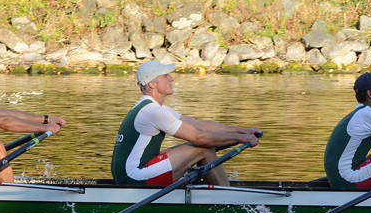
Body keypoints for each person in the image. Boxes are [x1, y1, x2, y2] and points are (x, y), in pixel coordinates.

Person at [111, 60, 261, 187]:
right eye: (166, 76)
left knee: (201, 147)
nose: (171, 79)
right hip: (133, 177)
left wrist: (243, 131)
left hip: (134, 172)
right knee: (203, 148)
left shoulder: (153, 107)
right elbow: (199, 137)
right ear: (152, 84)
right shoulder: (152, 111)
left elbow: (200, 125)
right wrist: (242, 139)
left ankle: (212, 187)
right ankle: (226, 201)